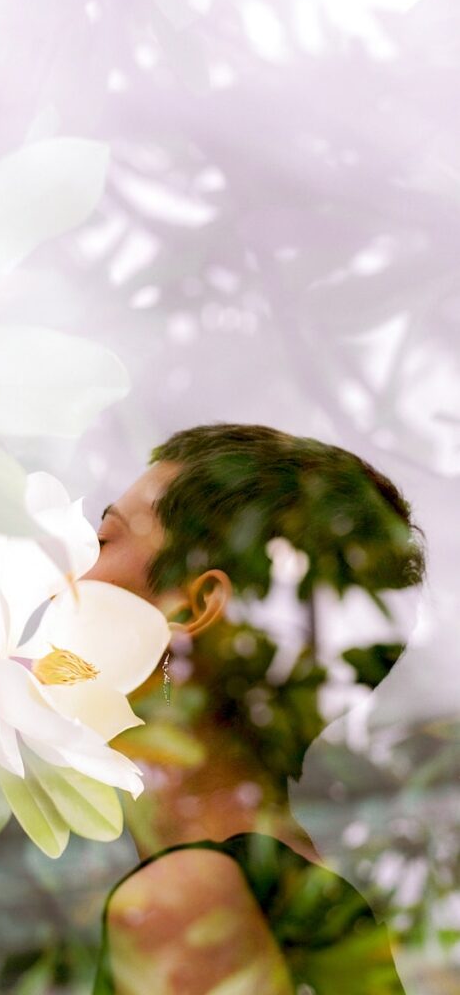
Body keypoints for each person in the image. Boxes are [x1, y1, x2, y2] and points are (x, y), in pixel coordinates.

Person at [81, 423, 426, 995]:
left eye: (102, 540)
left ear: (190, 610)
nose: (64, 577)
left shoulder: (192, 902)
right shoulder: (289, 893)